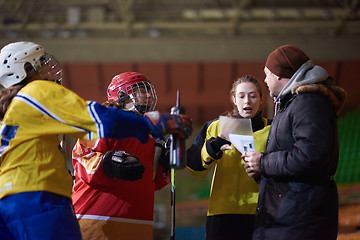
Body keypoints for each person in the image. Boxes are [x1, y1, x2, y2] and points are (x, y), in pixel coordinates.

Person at [0, 41, 192, 240]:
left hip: (7, 198)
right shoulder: (36, 91)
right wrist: (154, 123)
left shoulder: (11, 113)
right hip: (37, 196)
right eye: (41, 62)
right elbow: (99, 120)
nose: (49, 67)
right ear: (25, 68)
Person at [243, 45, 347, 240]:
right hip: (288, 217)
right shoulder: (292, 104)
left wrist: (263, 162)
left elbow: (310, 157)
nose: (265, 79)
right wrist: (260, 169)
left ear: (280, 75)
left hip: (299, 220)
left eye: (267, 74)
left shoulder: (308, 102)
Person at [72, 72, 173, 239]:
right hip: (97, 221)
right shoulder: (102, 121)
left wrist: (165, 165)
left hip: (139, 224)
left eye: (148, 91)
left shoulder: (152, 134)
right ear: (121, 95)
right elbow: (82, 159)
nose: (147, 95)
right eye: (140, 90)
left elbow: (150, 182)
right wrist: (106, 163)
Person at [187, 75, 271, 240]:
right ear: (234, 99)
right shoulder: (215, 127)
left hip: (261, 213)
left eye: (253, 96)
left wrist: (263, 164)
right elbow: (194, 169)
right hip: (221, 214)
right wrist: (213, 146)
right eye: (241, 96)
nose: (247, 101)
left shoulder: (273, 129)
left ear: (261, 99)